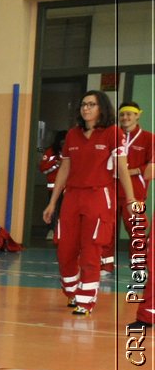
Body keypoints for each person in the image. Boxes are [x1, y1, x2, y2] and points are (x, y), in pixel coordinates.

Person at [42, 90, 137, 315]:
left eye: (92, 104)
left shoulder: (113, 133)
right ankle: (72, 291)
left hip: (98, 196)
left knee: (91, 250)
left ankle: (86, 300)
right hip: (72, 197)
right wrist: (52, 202)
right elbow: (64, 169)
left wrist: (131, 199)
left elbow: (122, 168)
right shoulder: (73, 135)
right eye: (84, 104)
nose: (86, 108)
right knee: (65, 249)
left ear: (101, 108)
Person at [119, 101, 152, 279]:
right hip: (109, 191)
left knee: (137, 229)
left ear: (138, 115)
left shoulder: (149, 138)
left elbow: (152, 168)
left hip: (135, 194)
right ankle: (104, 266)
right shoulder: (113, 136)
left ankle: (139, 266)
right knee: (105, 232)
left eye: (129, 114)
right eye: (122, 114)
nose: (125, 118)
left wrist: (132, 171)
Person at [38, 131, 64, 243]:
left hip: (69, 189)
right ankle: (51, 231)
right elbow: (43, 169)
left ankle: (63, 232)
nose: (64, 144)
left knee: (65, 211)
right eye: (62, 142)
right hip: (53, 189)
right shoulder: (50, 152)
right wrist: (56, 164)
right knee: (52, 211)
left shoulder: (72, 151)